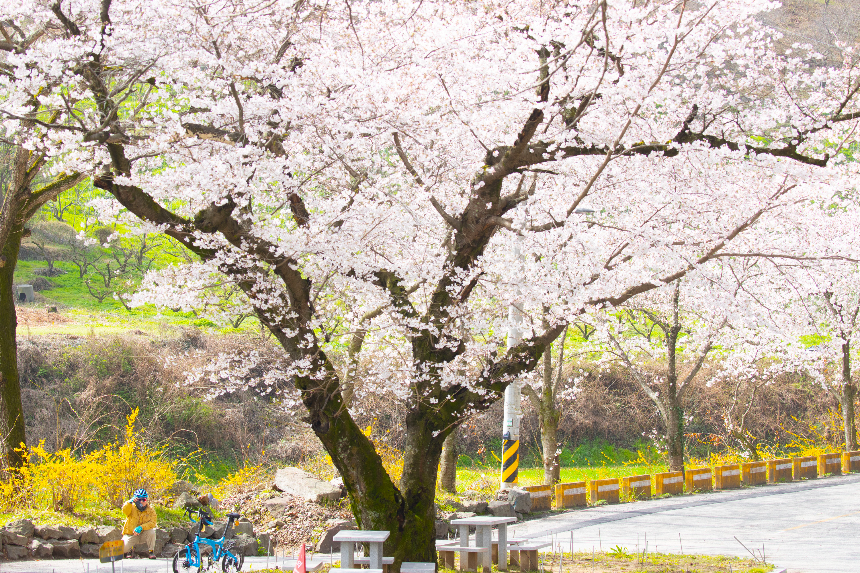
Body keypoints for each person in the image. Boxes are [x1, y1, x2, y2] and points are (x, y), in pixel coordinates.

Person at [122, 488, 157, 559]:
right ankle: (129, 550)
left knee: (152, 532)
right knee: (123, 548)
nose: (141, 502)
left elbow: (153, 522)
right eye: (139, 500)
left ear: (146, 500)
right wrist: (129, 502)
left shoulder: (150, 510)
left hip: (143, 534)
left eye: (143, 500)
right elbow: (124, 511)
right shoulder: (131, 507)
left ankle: (151, 551)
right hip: (131, 534)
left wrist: (141, 527)